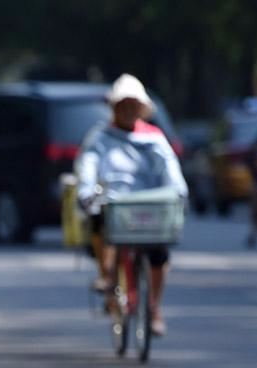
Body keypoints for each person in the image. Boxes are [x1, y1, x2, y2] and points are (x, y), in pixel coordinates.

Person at [75, 74, 188, 337]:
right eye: (122, 105)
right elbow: (88, 164)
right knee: (100, 222)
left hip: (148, 206)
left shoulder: (154, 138)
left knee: (159, 253)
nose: (127, 110)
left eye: (132, 105)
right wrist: (86, 191)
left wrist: (179, 191)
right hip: (113, 204)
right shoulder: (100, 137)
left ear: (140, 109)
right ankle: (108, 276)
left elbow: (169, 167)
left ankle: (154, 308)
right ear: (114, 107)